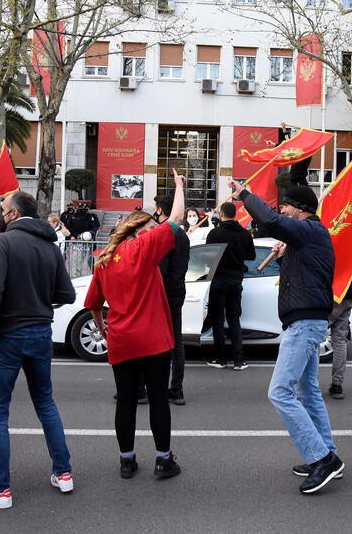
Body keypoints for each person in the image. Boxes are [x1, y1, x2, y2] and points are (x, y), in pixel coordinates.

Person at [235, 180, 344, 495]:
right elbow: (303, 275)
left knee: (279, 392)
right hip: (305, 320)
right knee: (307, 390)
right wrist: (284, 256)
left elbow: (270, 220)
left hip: (305, 323)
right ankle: (328, 453)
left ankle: (322, 459)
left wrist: (245, 195)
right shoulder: (307, 237)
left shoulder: (310, 231)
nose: (281, 209)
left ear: (299, 209)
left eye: (285, 205)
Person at [0, 191, 77, 510]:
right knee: (45, 402)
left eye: (3, 211)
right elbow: (68, 294)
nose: (0, 216)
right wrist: (40, 300)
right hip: (40, 333)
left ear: (14, 214)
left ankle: (1, 489)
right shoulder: (50, 246)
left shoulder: (4, 243)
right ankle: (64, 472)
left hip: (6, 336)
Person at [84, 169, 186, 480]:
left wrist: (102, 328)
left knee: (126, 399)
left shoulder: (103, 258)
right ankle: (163, 459)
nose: (155, 229)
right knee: (158, 399)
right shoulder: (142, 248)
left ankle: (126, 460)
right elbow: (177, 218)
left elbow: (93, 304)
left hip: (121, 340)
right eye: (151, 226)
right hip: (153, 340)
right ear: (139, 230)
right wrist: (179, 184)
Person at [204, 202, 256, 370]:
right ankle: (239, 361)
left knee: (217, 320)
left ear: (222, 214)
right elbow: (252, 256)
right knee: (234, 320)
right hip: (236, 281)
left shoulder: (214, 233)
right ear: (235, 215)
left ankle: (220, 359)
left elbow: (207, 259)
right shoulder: (245, 234)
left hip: (218, 281)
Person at [152, 194, 190, 405]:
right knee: (176, 341)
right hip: (178, 289)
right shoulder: (183, 236)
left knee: (153, 340)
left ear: (160, 210)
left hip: (163, 292)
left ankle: (146, 386)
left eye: (155, 207)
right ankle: (177, 388)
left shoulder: (164, 234)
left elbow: (161, 268)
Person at [328, 248, 352, 400]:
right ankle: (337, 384)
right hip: (349, 295)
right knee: (340, 341)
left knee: (312, 338)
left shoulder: (336, 240)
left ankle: (306, 384)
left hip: (334, 292)